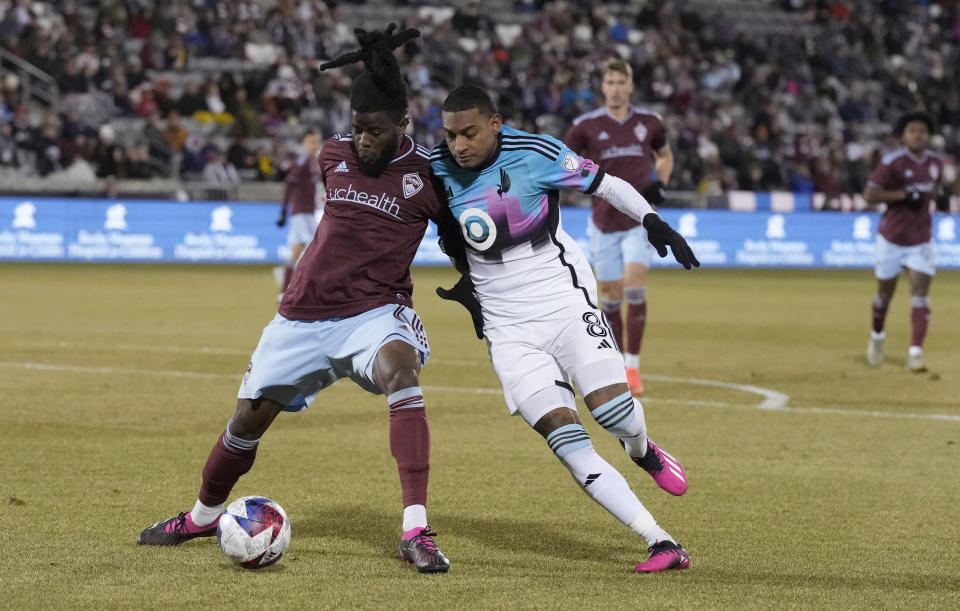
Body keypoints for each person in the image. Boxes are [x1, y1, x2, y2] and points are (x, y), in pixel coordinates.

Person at [138, 25, 453, 574]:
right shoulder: (334, 156)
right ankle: (204, 515)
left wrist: (476, 286)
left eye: (375, 131)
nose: (363, 141)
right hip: (302, 314)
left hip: (375, 314)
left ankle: (415, 528)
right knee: (245, 423)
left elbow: (459, 240)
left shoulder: (427, 176)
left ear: (403, 124)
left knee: (402, 373)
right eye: (357, 130)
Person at [431, 85, 698, 573]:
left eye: (469, 133)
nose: (458, 146)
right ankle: (660, 541)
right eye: (450, 136)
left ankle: (642, 450)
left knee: (615, 412)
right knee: (565, 439)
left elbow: (605, 183)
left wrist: (653, 220)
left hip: (562, 299)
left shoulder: (537, 152)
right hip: (507, 326)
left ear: (495, 123)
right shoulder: (436, 166)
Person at [565, 58, 674, 397]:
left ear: (629, 86)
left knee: (634, 285)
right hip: (603, 221)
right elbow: (566, 163)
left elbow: (665, 155)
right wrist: (580, 184)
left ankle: (633, 367)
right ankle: (616, 364)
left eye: (619, 82)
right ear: (603, 86)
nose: (614, 88)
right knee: (610, 297)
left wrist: (660, 183)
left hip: (639, 221)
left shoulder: (649, 122)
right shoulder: (585, 126)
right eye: (609, 82)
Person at [863, 111, 945, 372]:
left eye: (922, 130)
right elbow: (870, 194)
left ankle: (915, 353)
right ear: (904, 135)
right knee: (884, 294)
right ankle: (877, 337)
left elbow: (936, 192)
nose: (918, 135)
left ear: (928, 135)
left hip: (921, 239)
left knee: (920, 294)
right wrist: (901, 195)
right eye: (913, 130)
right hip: (892, 238)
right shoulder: (892, 162)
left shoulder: (936, 163)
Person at [274, 130, 322, 300]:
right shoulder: (302, 161)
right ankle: (308, 290)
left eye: (316, 142)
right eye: (311, 142)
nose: (314, 145)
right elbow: (290, 184)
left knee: (296, 252)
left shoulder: (314, 162)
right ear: (304, 143)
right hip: (301, 212)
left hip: (307, 212)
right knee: (316, 249)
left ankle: (283, 290)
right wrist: (283, 211)